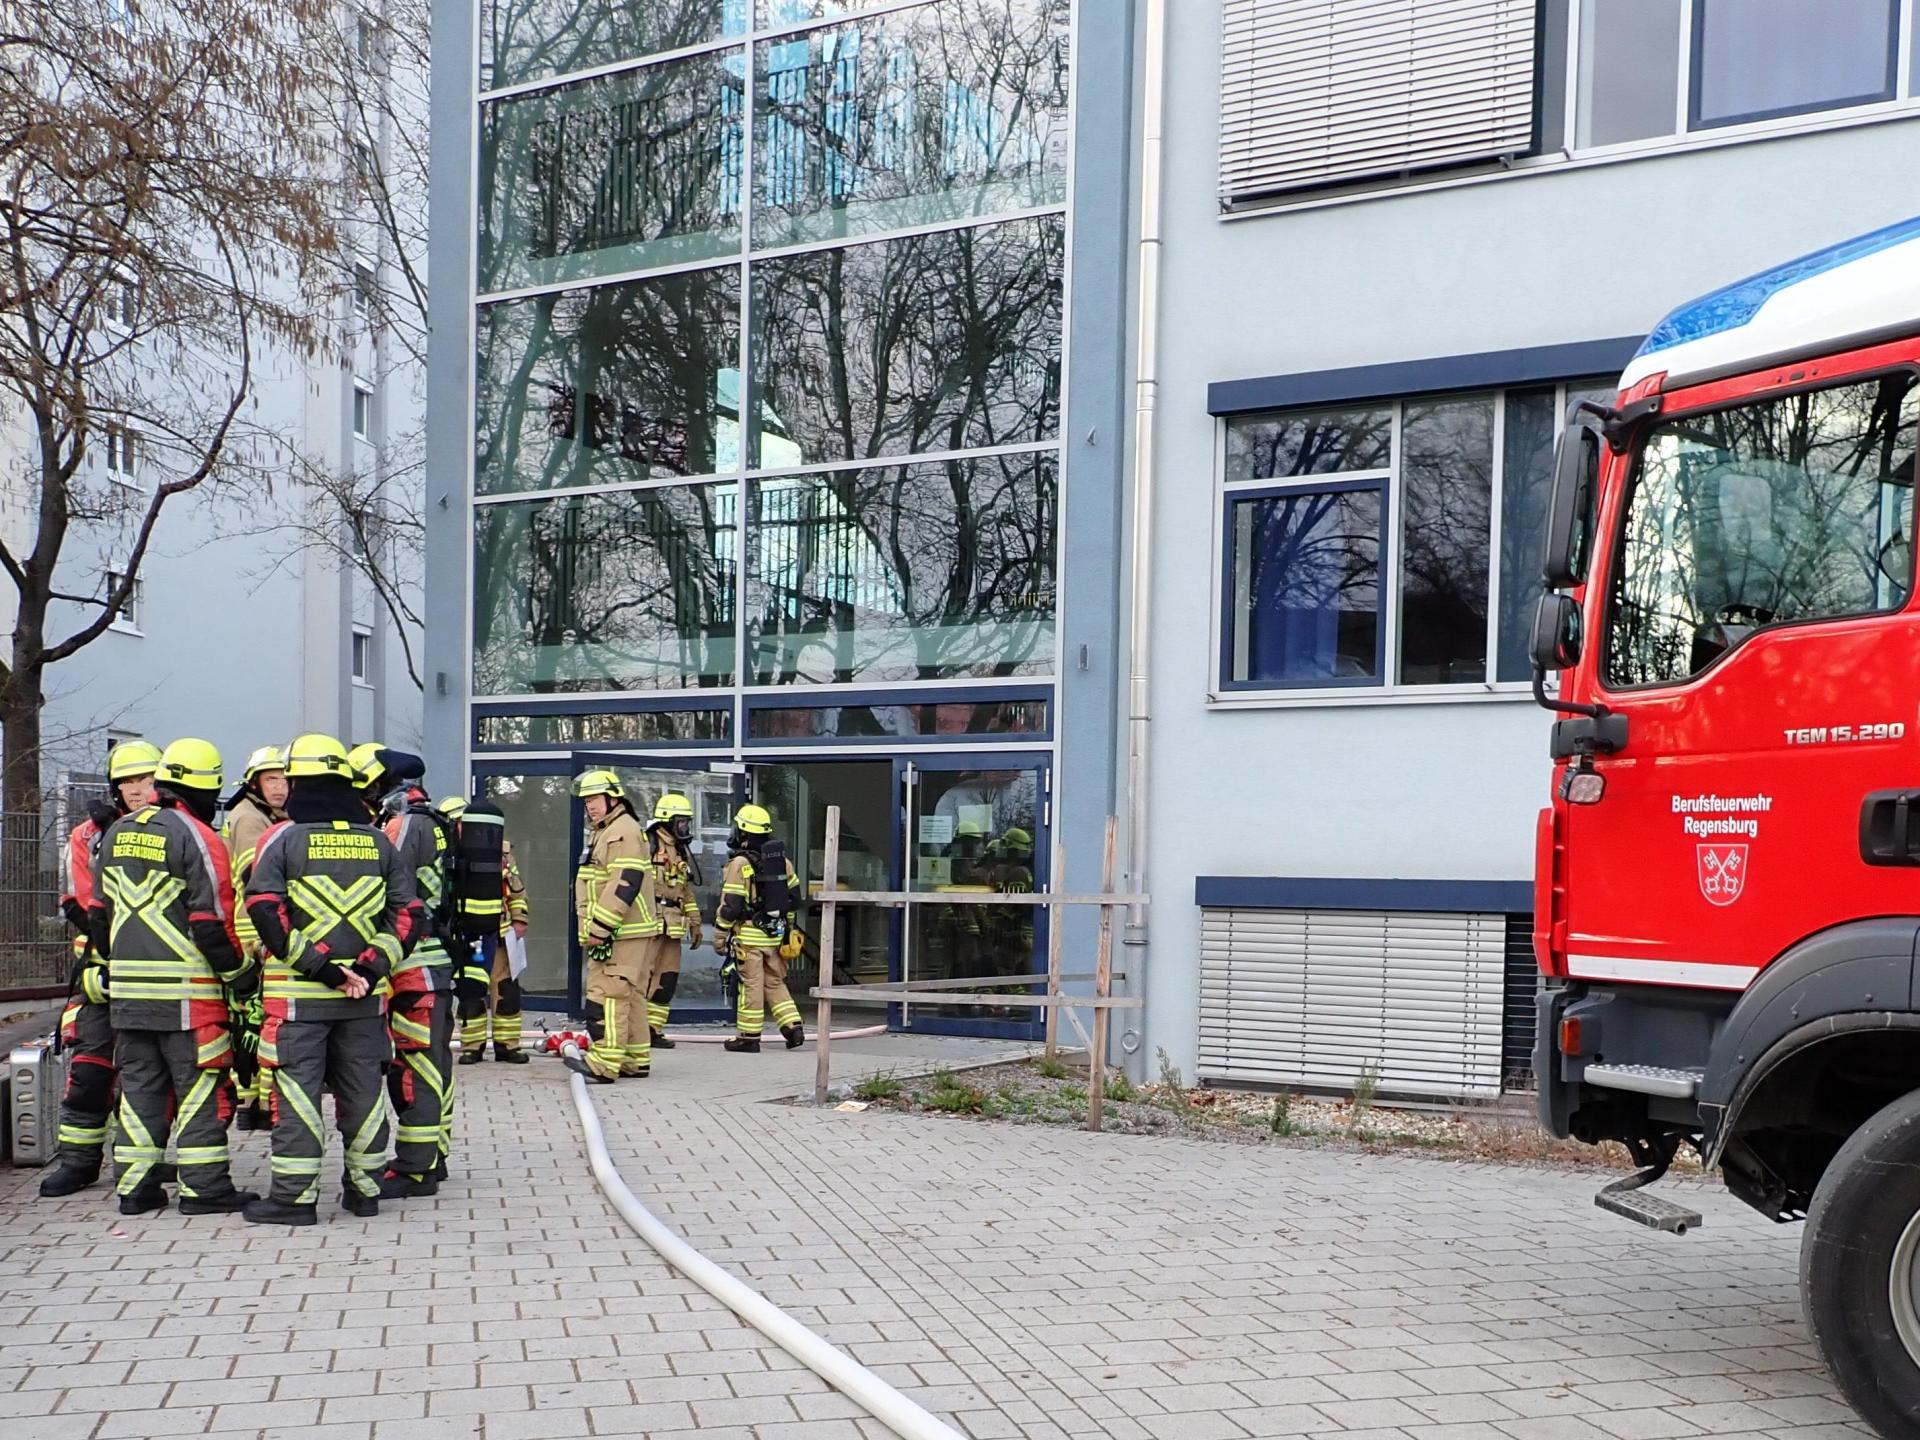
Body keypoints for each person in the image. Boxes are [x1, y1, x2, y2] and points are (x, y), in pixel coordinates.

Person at [243, 733, 420, 1225]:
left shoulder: (280, 839)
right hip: (364, 1000)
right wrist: (366, 968)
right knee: (363, 1092)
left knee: (297, 1098)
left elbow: (265, 912)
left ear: (298, 781)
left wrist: (321, 968)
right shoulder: (378, 840)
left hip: (299, 1002)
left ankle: (294, 1200)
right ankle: (364, 1191)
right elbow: (408, 915)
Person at [90, 738, 257, 1216]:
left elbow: (97, 914)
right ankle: (205, 1189)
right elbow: (211, 923)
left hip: (127, 996)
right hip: (189, 998)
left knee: (140, 1090)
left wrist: (120, 964)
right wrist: (240, 974)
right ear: (204, 788)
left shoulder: (117, 831)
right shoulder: (199, 837)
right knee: (200, 1087)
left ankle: (136, 1189)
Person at [38, 740, 161, 1198]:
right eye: (128, 781)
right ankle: (79, 1162)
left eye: (147, 779)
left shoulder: (178, 829)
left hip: (161, 969)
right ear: (114, 786)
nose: (138, 789)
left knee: (152, 1076)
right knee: (90, 1067)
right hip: (102, 970)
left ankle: (145, 1163)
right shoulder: (86, 835)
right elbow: (84, 902)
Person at [363, 745, 476, 1197]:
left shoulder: (404, 825)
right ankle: (432, 1156)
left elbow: (388, 895)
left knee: (416, 1068)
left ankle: (416, 1168)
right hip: (431, 963)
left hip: (415, 965)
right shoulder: (432, 821)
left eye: (369, 787)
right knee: (432, 1065)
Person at [565, 769, 659, 1083]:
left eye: (594, 798)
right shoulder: (608, 830)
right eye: (586, 800)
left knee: (608, 993)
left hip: (619, 931)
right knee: (629, 995)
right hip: (627, 930)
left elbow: (624, 883)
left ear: (613, 797)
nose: (589, 805)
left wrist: (600, 927)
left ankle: (604, 1063)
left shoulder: (621, 831)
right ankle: (634, 1058)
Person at [222, 745, 288, 1132]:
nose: (279, 787)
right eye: (271, 780)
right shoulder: (249, 819)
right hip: (253, 931)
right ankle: (254, 1104)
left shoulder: (265, 814)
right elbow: (256, 876)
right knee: (256, 1020)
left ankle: (254, 1101)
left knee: (254, 1019)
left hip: (252, 928)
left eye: (283, 779)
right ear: (254, 783)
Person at [444, 795, 531, 1065]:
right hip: (467, 934)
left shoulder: (500, 852)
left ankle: (508, 1045)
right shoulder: (449, 854)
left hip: (501, 934)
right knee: (470, 991)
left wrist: (519, 920)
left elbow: (516, 889)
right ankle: (472, 1045)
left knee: (506, 991)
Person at [716, 803, 805, 1053]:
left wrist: (720, 936)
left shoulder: (739, 864)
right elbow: (795, 898)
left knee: (750, 984)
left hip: (749, 935)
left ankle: (748, 1037)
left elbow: (731, 906)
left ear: (744, 832)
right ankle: (793, 1026)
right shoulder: (782, 862)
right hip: (775, 936)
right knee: (775, 982)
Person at [644, 793, 702, 1051]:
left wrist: (695, 922)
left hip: (673, 925)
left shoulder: (679, 851)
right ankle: (637, 1029)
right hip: (650, 922)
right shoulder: (648, 844)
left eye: (687, 823)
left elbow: (685, 891)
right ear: (667, 821)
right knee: (644, 977)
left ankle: (654, 1030)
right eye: (681, 822)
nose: (685, 828)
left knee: (667, 979)